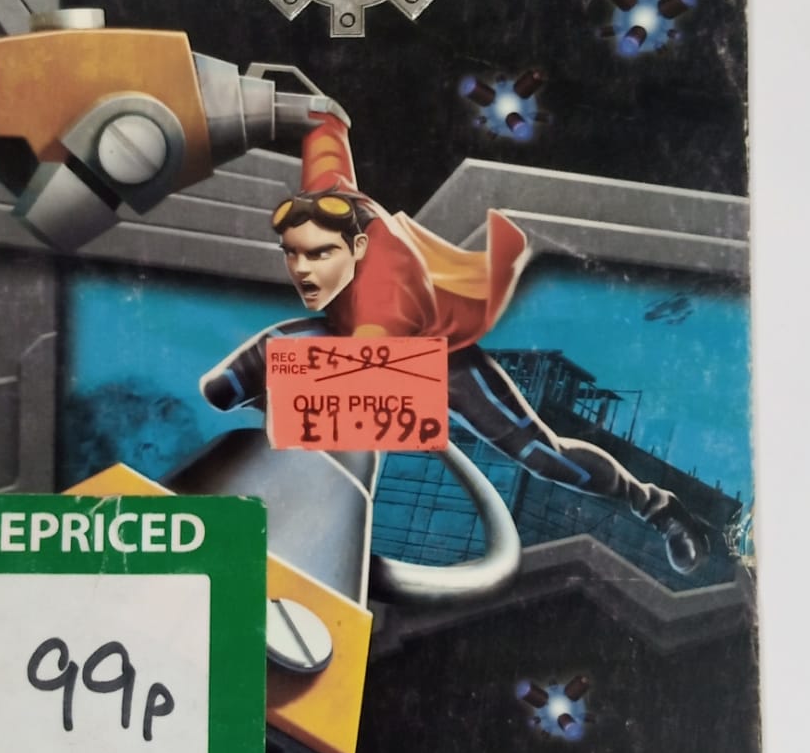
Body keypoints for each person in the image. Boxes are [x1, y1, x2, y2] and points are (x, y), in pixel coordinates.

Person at [200, 115, 709, 575]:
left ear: (357, 246)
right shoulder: (329, 202)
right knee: (233, 385)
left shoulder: (385, 297)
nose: (303, 271)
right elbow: (328, 145)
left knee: (543, 455)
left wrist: (286, 406)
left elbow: (358, 386)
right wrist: (318, 119)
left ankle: (657, 507)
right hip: (364, 346)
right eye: (292, 254)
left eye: (318, 256)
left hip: (440, 360)